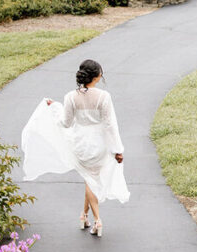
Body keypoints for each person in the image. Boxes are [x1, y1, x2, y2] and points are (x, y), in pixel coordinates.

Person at [20, 58, 129, 237]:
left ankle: (83, 216)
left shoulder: (70, 97)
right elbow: (110, 125)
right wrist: (118, 149)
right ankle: (98, 221)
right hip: (99, 144)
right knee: (92, 179)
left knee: (89, 178)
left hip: (80, 143)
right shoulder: (104, 97)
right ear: (96, 77)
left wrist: (55, 107)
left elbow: (65, 122)